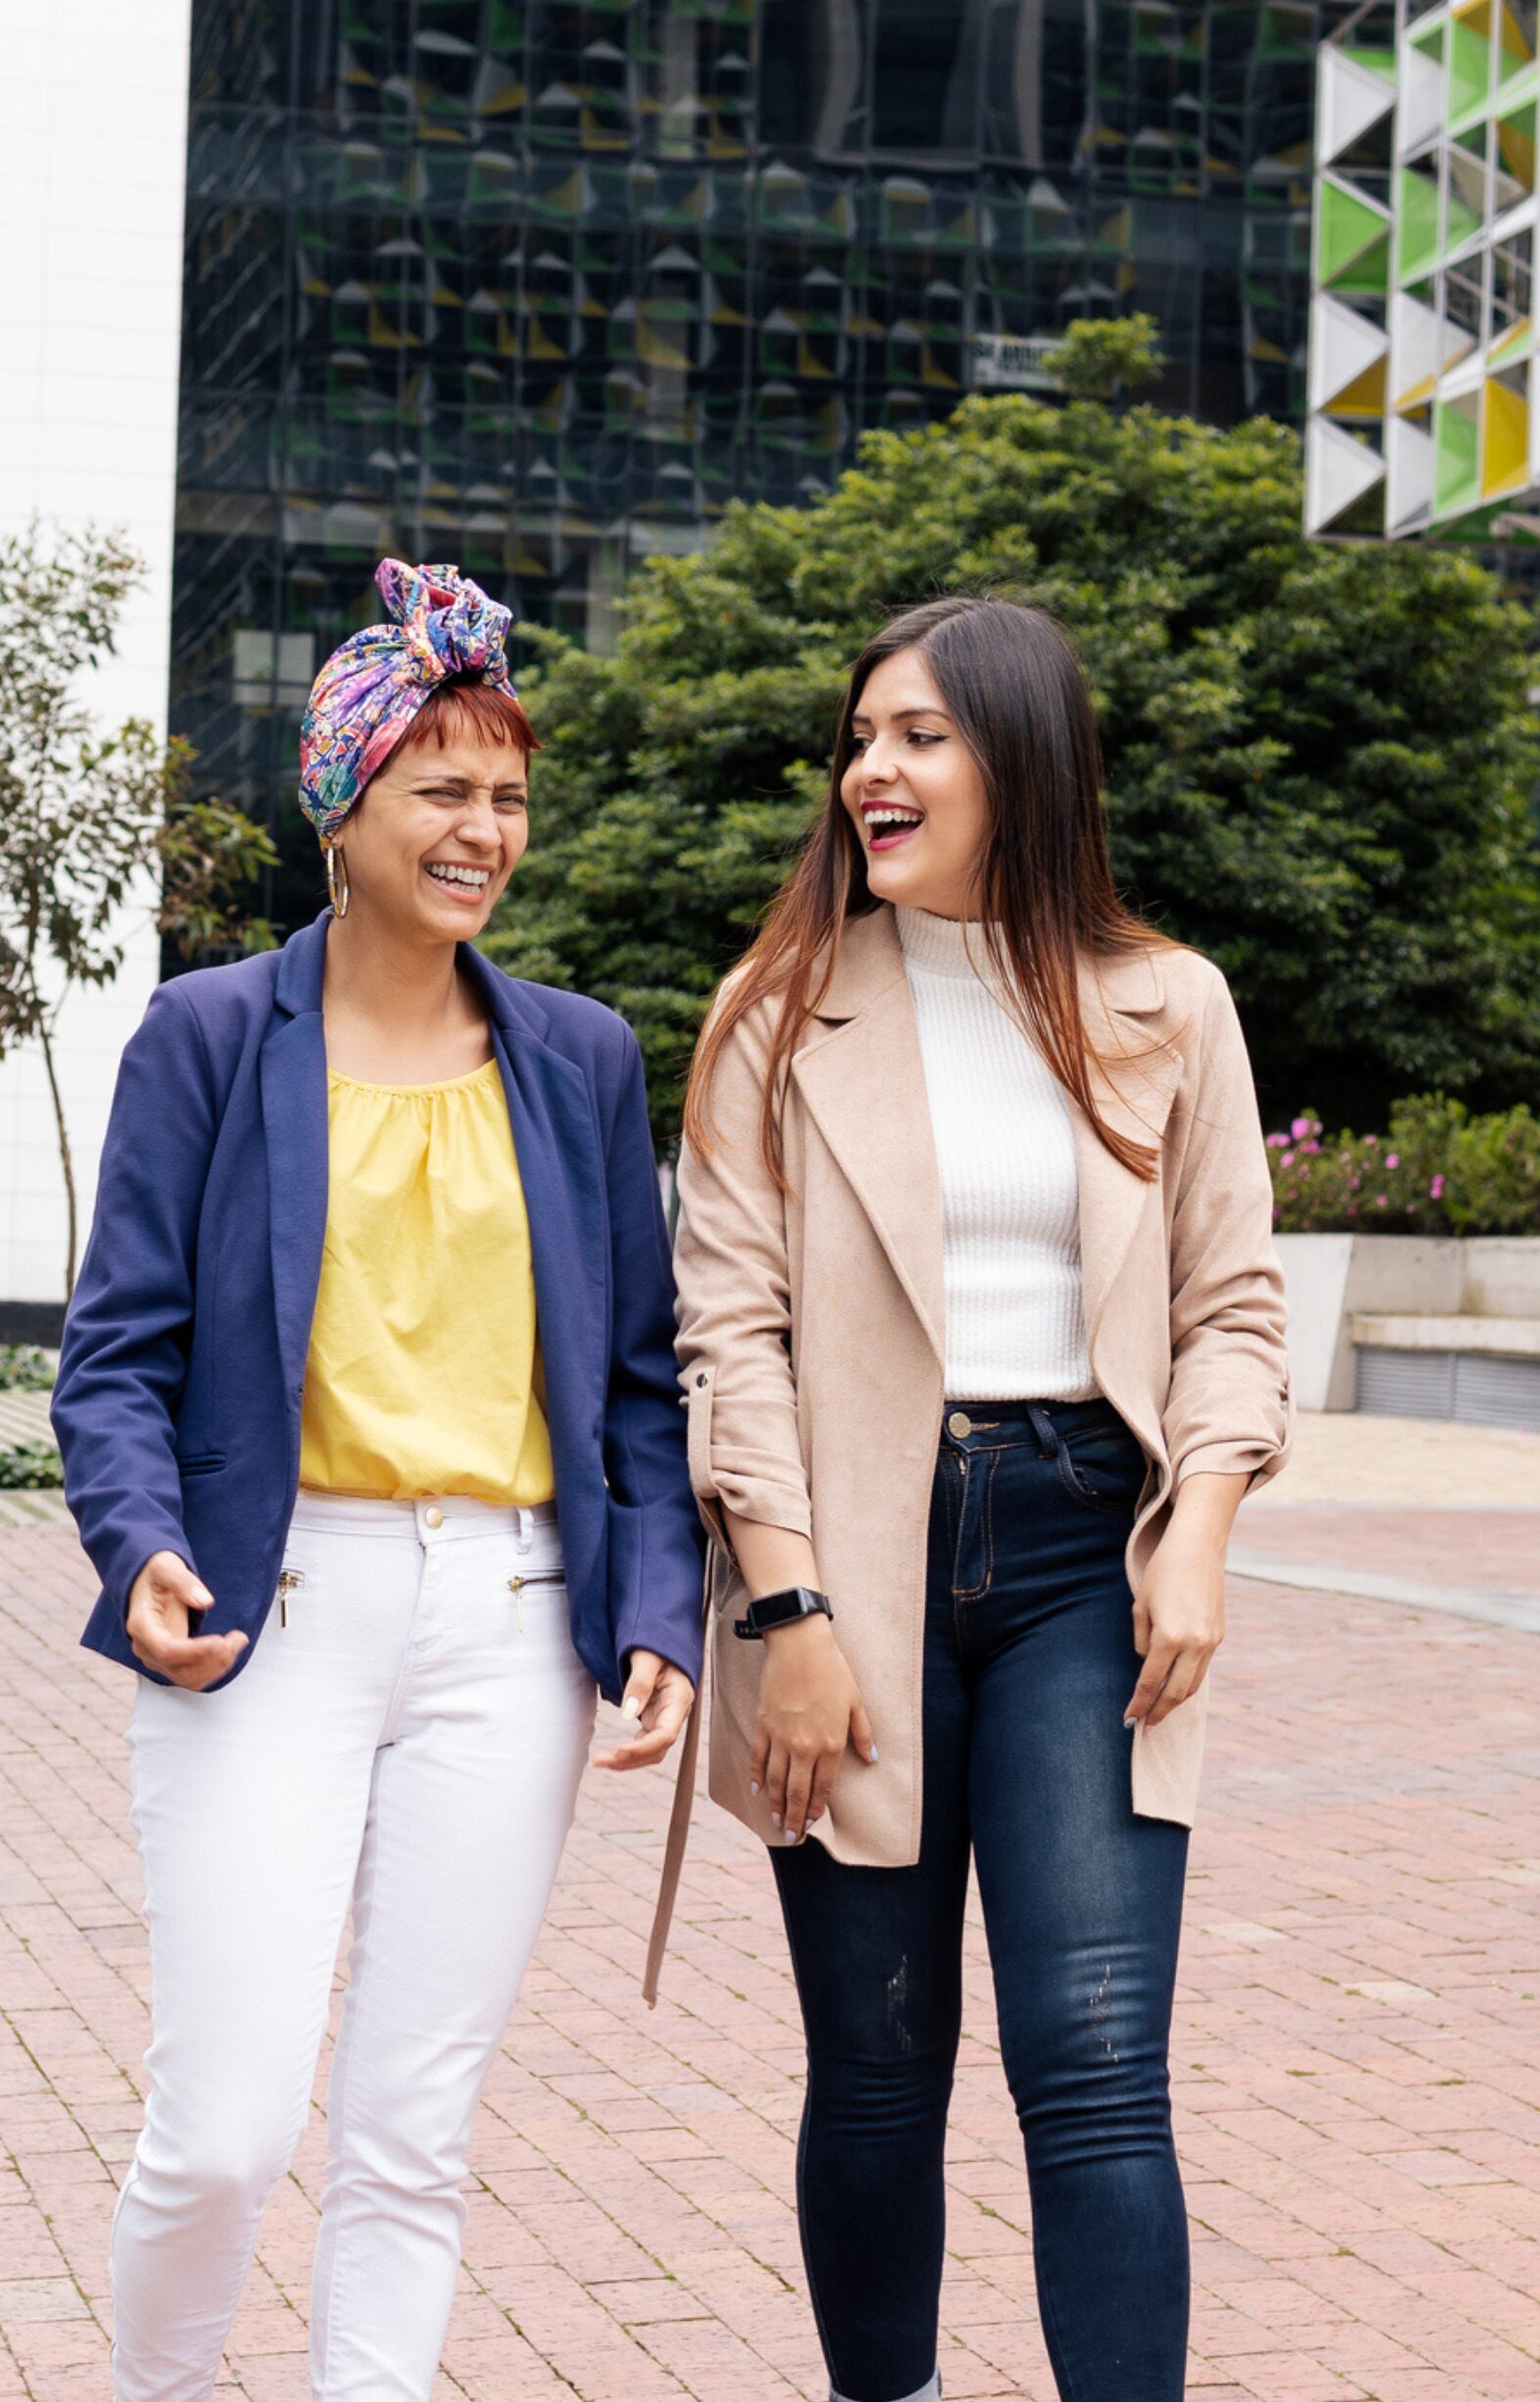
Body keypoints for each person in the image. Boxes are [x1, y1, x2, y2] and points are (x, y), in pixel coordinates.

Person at [55, 560, 705, 2402]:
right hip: (275, 1614)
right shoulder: (204, 1036)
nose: (480, 827)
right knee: (227, 2128)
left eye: (504, 793)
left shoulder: (578, 1057)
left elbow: (640, 1382)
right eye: (439, 787)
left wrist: (654, 1605)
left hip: (508, 1627)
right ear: (342, 807)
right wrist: (142, 1546)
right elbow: (115, 1353)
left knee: (411, 2133)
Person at [673, 595, 1288, 2402]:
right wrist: (782, 1613)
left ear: (1020, 758)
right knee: (874, 2060)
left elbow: (1230, 1305)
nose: (873, 769)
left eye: (920, 735)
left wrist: (1202, 1527)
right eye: (861, 737)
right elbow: (729, 1331)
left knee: (1095, 2060)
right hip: (846, 1554)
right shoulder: (776, 1011)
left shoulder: (1168, 1003)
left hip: (1086, 1546)